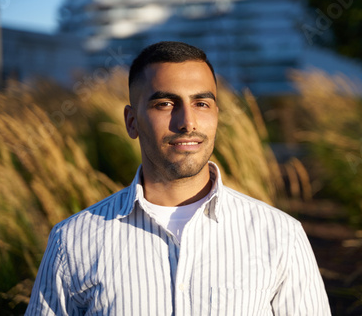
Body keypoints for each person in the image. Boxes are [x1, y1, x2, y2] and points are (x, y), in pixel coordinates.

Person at [26, 41, 331, 315]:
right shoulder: (72, 241)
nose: (187, 122)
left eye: (201, 103)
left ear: (216, 115)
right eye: (165, 104)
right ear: (132, 122)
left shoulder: (280, 236)